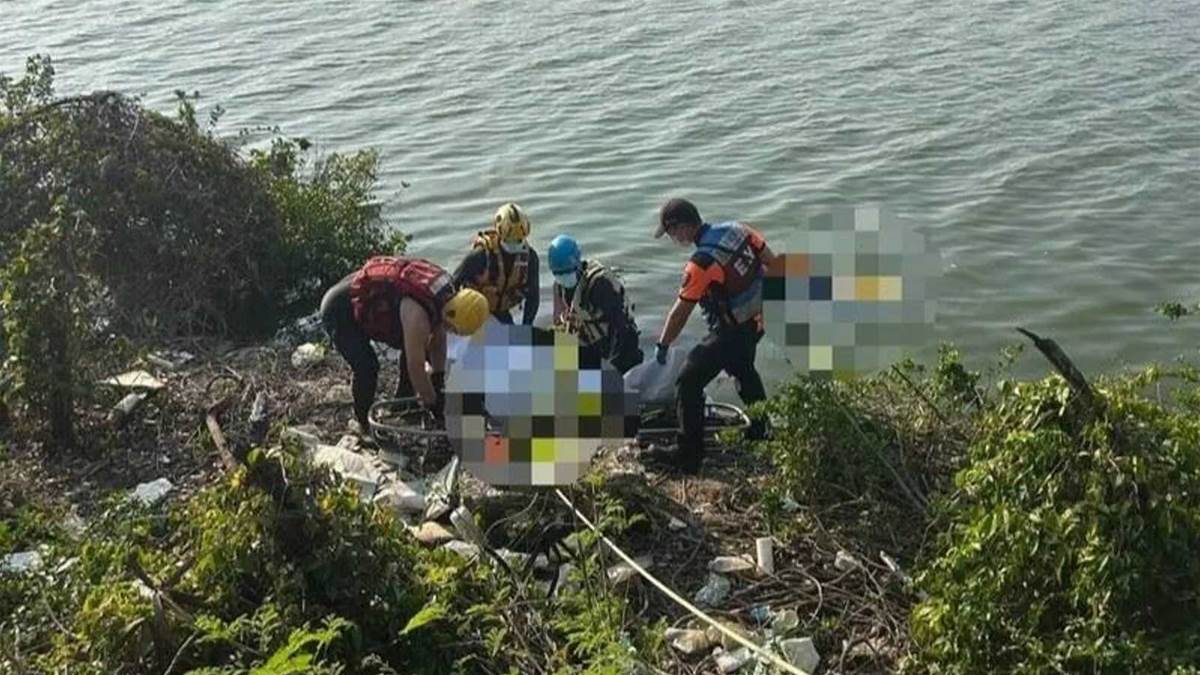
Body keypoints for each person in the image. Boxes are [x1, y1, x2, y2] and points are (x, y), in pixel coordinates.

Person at [651, 198, 776, 473]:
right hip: (759, 318)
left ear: (682, 227)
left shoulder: (701, 263)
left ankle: (688, 456)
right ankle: (761, 432)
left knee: (688, 380)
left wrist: (663, 344)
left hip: (733, 330)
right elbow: (772, 263)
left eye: (671, 233)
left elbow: (681, 311)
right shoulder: (738, 229)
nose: (673, 239)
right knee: (743, 369)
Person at [320, 255, 489, 435]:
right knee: (367, 367)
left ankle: (402, 407)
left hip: (369, 294)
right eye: (453, 329)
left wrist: (438, 380)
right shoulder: (419, 316)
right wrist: (434, 405)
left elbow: (438, 343)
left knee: (419, 347)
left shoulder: (447, 294)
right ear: (452, 313)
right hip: (340, 309)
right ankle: (364, 426)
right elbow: (415, 366)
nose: (450, 332)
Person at [548, 234, 644, 374]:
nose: (563, 277)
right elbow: (559, 321)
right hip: (591, 338)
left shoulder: (599, 284)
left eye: (566, 272)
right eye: (558, 273)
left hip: (619, 342)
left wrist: (610, 361)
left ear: (577, 265)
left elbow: (620, 324)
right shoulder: (559, 287)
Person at [452, 202, 540, 325]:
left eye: (519, 240)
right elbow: (455, 281)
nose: (515, 243)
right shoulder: (481, 255)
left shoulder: (530, 258)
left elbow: (533, 297)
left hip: (500, 312)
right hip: (473, 309)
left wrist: (527, 326)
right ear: (500, 234)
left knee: (512, 333)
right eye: (510, 239)